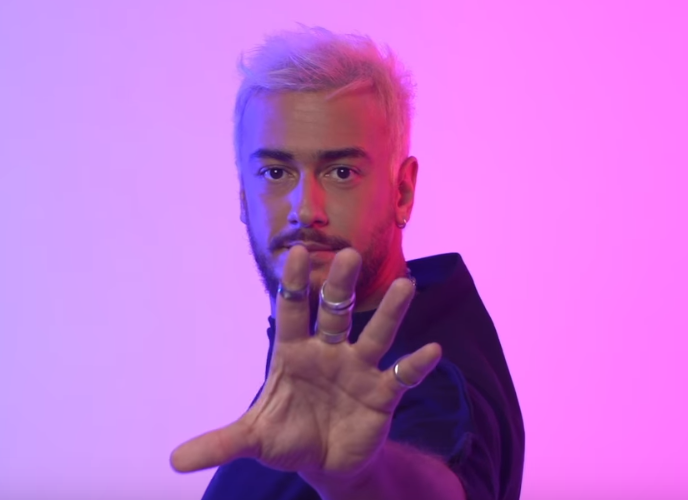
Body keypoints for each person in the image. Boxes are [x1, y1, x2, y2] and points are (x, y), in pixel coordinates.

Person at [170, 26, 525, 500]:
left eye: (341, 172)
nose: (305, 209)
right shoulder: (327, 348)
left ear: (402, 192)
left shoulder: (426, 382)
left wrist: (361, 478)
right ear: (242, 196)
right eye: (275, 172)